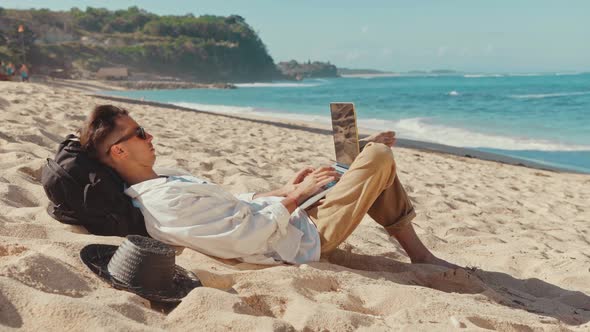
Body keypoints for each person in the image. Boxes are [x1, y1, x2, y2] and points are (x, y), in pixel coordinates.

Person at [80, 105, 457, 268]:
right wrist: (297, 197)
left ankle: (354, 166)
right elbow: (243, 238)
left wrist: (283, 190)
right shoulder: (164, 203)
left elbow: (233, 205)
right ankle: (418, 252)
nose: (150, 136)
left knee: (342, 167)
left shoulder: (167, 178)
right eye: (140, 133)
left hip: (288, 220)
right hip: (297, 243)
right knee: (377, 156)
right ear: (119, 150)